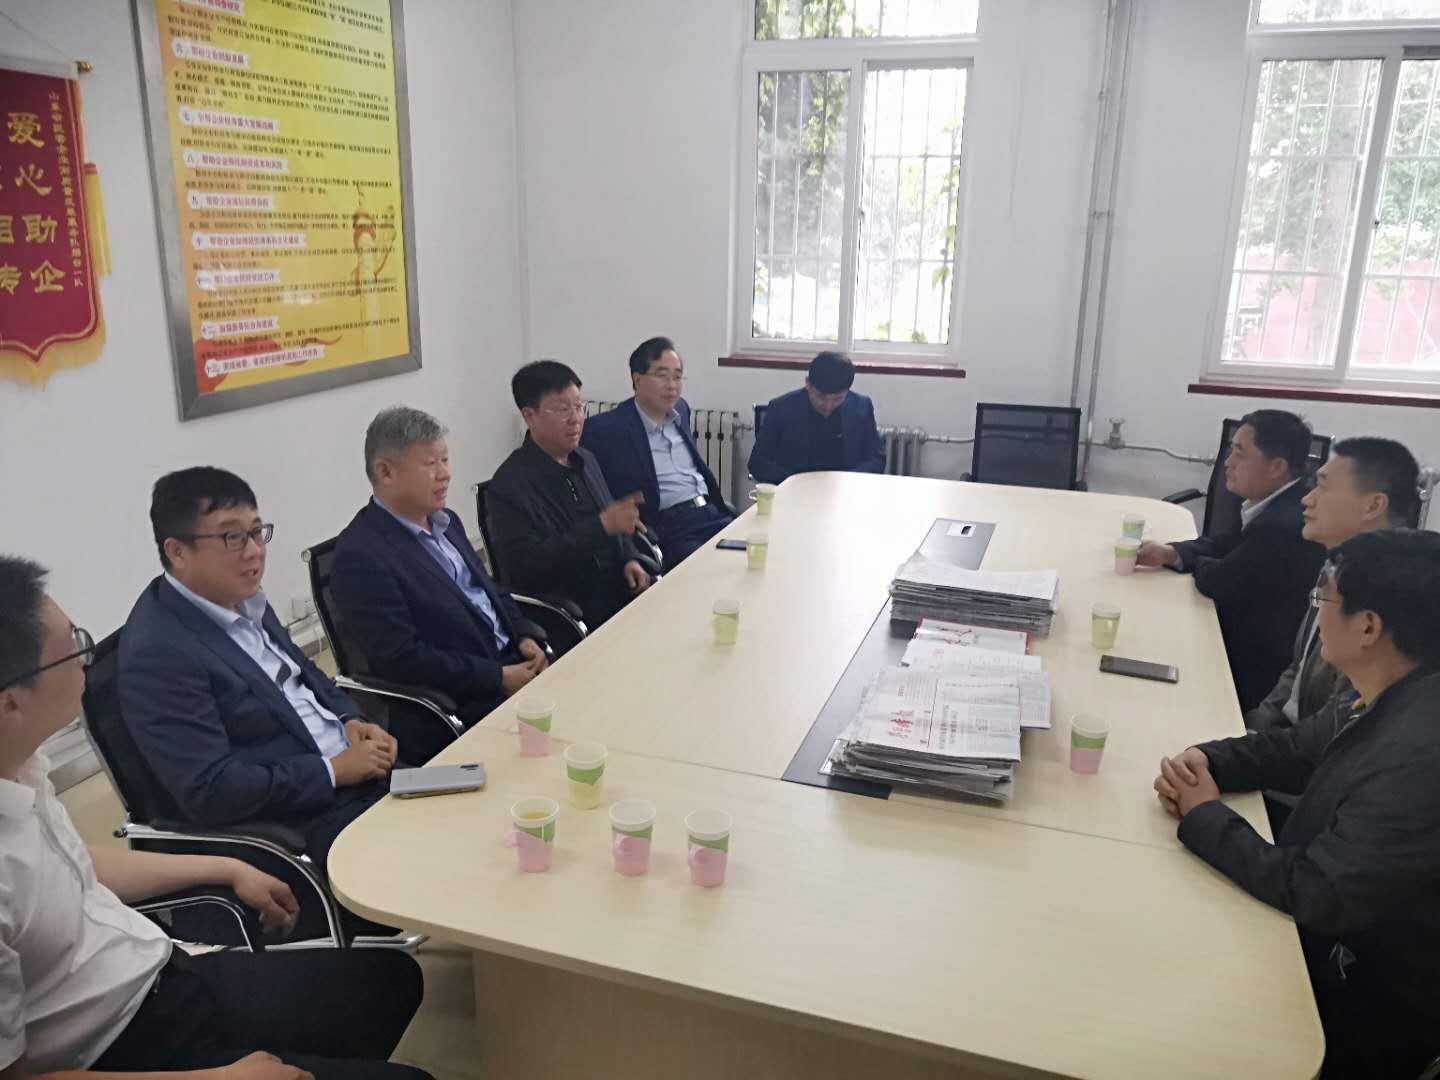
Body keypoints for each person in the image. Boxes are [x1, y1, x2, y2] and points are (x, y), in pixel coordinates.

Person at [1, 554, 430, 1080]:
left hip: (158, 972)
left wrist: (226, 867)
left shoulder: (20, 765)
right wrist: (221, 1078)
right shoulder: (162, 649)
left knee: (391, 983)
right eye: (72, 647)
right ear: (11, 703)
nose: (84, 660)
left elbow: (73, 863)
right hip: (113, 1046)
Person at [1153, 529, 1440, 1078]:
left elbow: (1318, 892)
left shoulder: (1418, 756)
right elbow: (1295, 748)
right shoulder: (1390, 687)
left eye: (1324, 598)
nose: (1316, 610)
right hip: (1321, 924)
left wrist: (1206, 816)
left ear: (1368, 627)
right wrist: (1207, 760)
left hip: (1354, 995)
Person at [120, 468, 399, 897]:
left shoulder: (241, 596)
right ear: (177, 551)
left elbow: (305, 675)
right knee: (450, 858)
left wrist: (350, 719)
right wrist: (332, 771)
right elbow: (211, 789)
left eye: (256, 532)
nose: (254, 552)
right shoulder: (159, 653)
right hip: (305, 823)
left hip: (355, 778)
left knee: (475, 808)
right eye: (232, 537)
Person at [330, 407, 548, 749]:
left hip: (511, 665)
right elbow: (403, 658)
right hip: (460, 703)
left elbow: (490, 591)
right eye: (430, 464)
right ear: (385, 472)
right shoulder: (361, 556)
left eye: (445, 460)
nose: (445, 474)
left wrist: (522, 634)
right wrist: (497, 678)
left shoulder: (447, 522)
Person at [1136, 410, 1325, 713]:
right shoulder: (1275, 502)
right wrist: (1172, 553)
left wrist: (1196, 562)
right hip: (1234, 635)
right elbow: (1226, 543)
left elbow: (1218, 580)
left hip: (1244, 667)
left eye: (1239, 452)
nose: (1227, 462)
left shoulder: (1282, 526)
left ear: (1276, 467)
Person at [1246, 436, 1419, 734]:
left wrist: (1247, 747)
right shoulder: (1336, 565)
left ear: (1373, 505)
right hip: (1279, 738)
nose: (1307, 498)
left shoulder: (1389, 601)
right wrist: (1251, 728)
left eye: (1323, 486)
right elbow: (1297, 670)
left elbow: (1333, 733)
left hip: (1309, 756)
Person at [487, 361, 657, 628]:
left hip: (618, 587)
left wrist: (628, 557)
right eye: (562, 409)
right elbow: (526, 568)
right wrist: (601, 526)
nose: (576, 418)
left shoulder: (585, 459)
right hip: (573, 607)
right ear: (529, 416)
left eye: (579, 406)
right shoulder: (509, 486)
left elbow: (611, 523)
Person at [581, 336, 735, 569]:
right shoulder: (607, 428)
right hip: (672, 529)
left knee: (760, 547)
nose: (672, 385)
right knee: (718, 569)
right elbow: (593, 486)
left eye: (677, 376)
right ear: (637, 379)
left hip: (712, 514)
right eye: (662, 376)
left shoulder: (681, 409)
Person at [747, 351, 885, 484]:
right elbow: (758, 463)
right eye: (821, 397)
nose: (828, 405)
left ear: (848, 390)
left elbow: (876, 459)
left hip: (846, 488)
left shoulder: (861, 407)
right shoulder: (781, 408)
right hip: (796, 489)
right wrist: (797, 481)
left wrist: (847, 479)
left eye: (837, 399)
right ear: (808, 383)